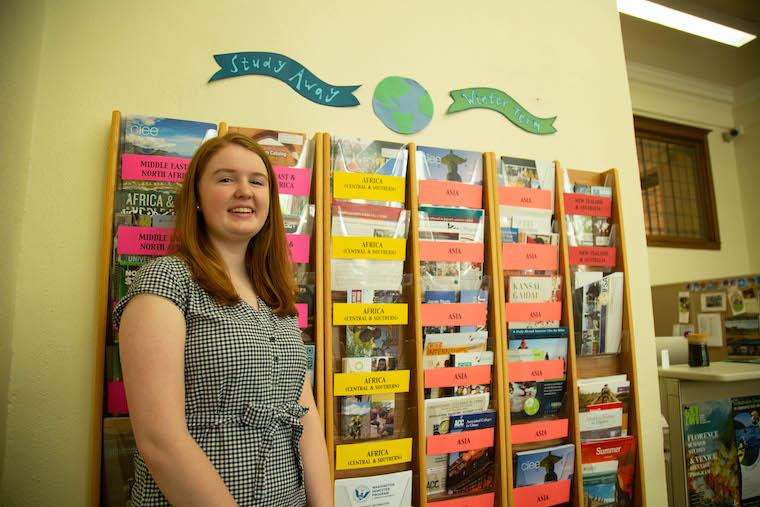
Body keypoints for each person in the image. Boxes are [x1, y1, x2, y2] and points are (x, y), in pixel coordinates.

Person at [114, 132, 331, 506]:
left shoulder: (275, 293)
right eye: (226, 178)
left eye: (257, 181)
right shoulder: (166, 280)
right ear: (196, 199)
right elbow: (161, 442)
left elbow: (304, 411)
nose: (244, 191)